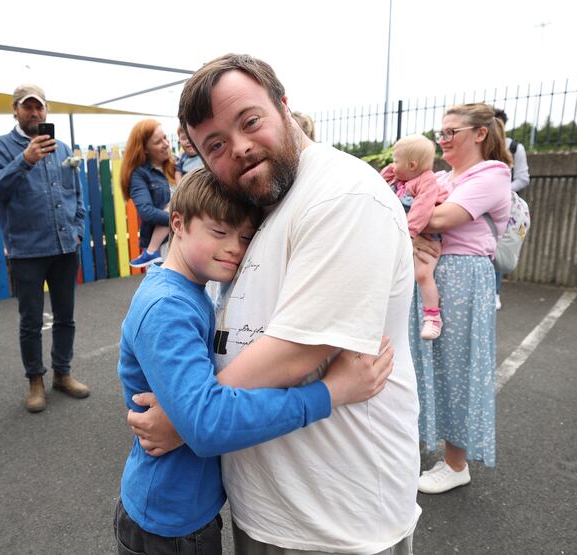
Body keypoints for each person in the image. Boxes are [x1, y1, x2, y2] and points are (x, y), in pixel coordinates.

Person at [128, 54, 421, 555]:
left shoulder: (340, 195)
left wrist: (186, 419)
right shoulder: (260, 205)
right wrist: (196, 416)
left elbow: (298, 350)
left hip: (334, 522)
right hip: (270, 511)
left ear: (284, 105)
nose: (238, 148)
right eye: (215, 144)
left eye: (250, 121)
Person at [115, 167, 394, 554]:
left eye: (245, 237)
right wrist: (331, 392)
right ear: (177, 223)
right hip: (169, 520)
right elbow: (207, 423)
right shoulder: (168, 308)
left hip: (181, 508)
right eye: (219, 232)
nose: (234, 246)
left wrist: (183, 417)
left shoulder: (189, 291)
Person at [411, 103, 512, 494]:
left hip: (463, 279)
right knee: (423, 362)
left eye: (451, 132)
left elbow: (438, 219)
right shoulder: (442, 176)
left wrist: (414, 216)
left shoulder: (492, 175)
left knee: (458, 366)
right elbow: (412, 205)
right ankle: (427, 444)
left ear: (480, 134)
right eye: (441, 133)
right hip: (431, 275)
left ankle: (456, 464)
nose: (442, 140)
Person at [0, 84, 89, 413]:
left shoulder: (61, 147)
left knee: (65, 317)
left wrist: (79, 229)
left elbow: (75, 193)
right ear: (15, 109)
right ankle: (35, 381)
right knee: (30, 321)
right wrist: (24, 160)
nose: (34, 113)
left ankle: (62, 373)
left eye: (39, 107)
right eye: (27, 107)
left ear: (46, 110)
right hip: (26, 250)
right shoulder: (0, 147)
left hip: (64, 247)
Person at [380, 134, 449, 340]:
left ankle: (433, 317)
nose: (392, 165)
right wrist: (392, 170)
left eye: (395, 161)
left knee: (422, 273)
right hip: (406, 235)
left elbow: (422, 208)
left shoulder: (426, 181)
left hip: (424, 236)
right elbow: (379, 183)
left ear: (411, 165)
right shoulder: (400, 179)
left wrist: (409, 233)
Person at [121, 119, 176, 268]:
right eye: (158, 142)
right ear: (144, 148)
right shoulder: (139, 174)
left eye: (165, 138)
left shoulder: (176, 166)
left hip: (187, 241)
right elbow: (146, 212)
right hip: (164, 248)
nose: (165, 144)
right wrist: (180, 219)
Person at [493, 108, 531, 310]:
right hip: (488, 202)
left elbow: (523, 178)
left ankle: (496, 292)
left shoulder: (514, 147)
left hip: (504, 206)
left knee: (499, 248)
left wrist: (500, 192)